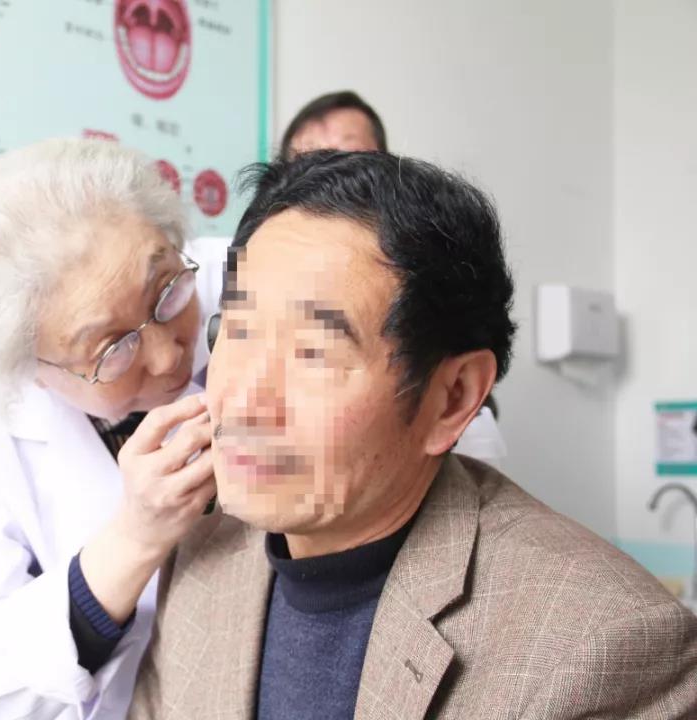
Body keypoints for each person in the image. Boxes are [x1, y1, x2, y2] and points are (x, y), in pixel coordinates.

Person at [128, 151, 697, 719]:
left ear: (452, 399)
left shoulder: (601, 647)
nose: (244, 399)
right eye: (238, 330)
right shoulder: (199, 554)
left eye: (313, 352)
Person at [0, 138, 227, 719]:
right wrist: (135, 538)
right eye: (113, 350)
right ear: (33, 373)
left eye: (167, 292)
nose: (167, 356)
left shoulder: (249, 280)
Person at [281, 89, 506, 467]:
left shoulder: (427, 261)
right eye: (308, 164)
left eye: (350, 158)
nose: (329, 178)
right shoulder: (252, 268)